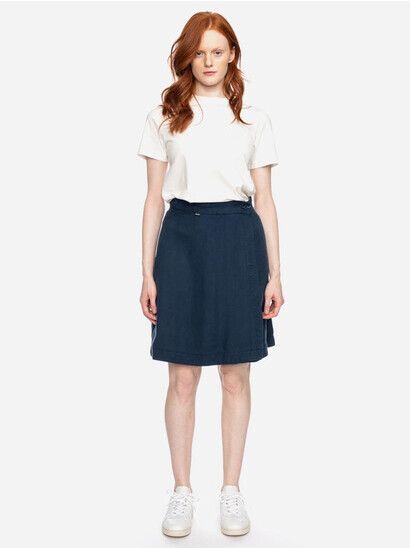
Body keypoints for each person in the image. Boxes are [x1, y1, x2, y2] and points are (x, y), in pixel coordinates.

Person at [137, 11, 284, 538]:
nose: (208, 61)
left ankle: (231, 489)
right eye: (199, 52)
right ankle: (181, 491)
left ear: (232, 55)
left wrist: (275, 274)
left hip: (239, 240)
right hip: (181, 241)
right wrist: (147, 272)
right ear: (187, 57)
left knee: (235, 374)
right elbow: (153, 200)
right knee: (182, 375)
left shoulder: (254, 120)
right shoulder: (164, 116)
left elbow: (265, 200)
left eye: (217, 51)